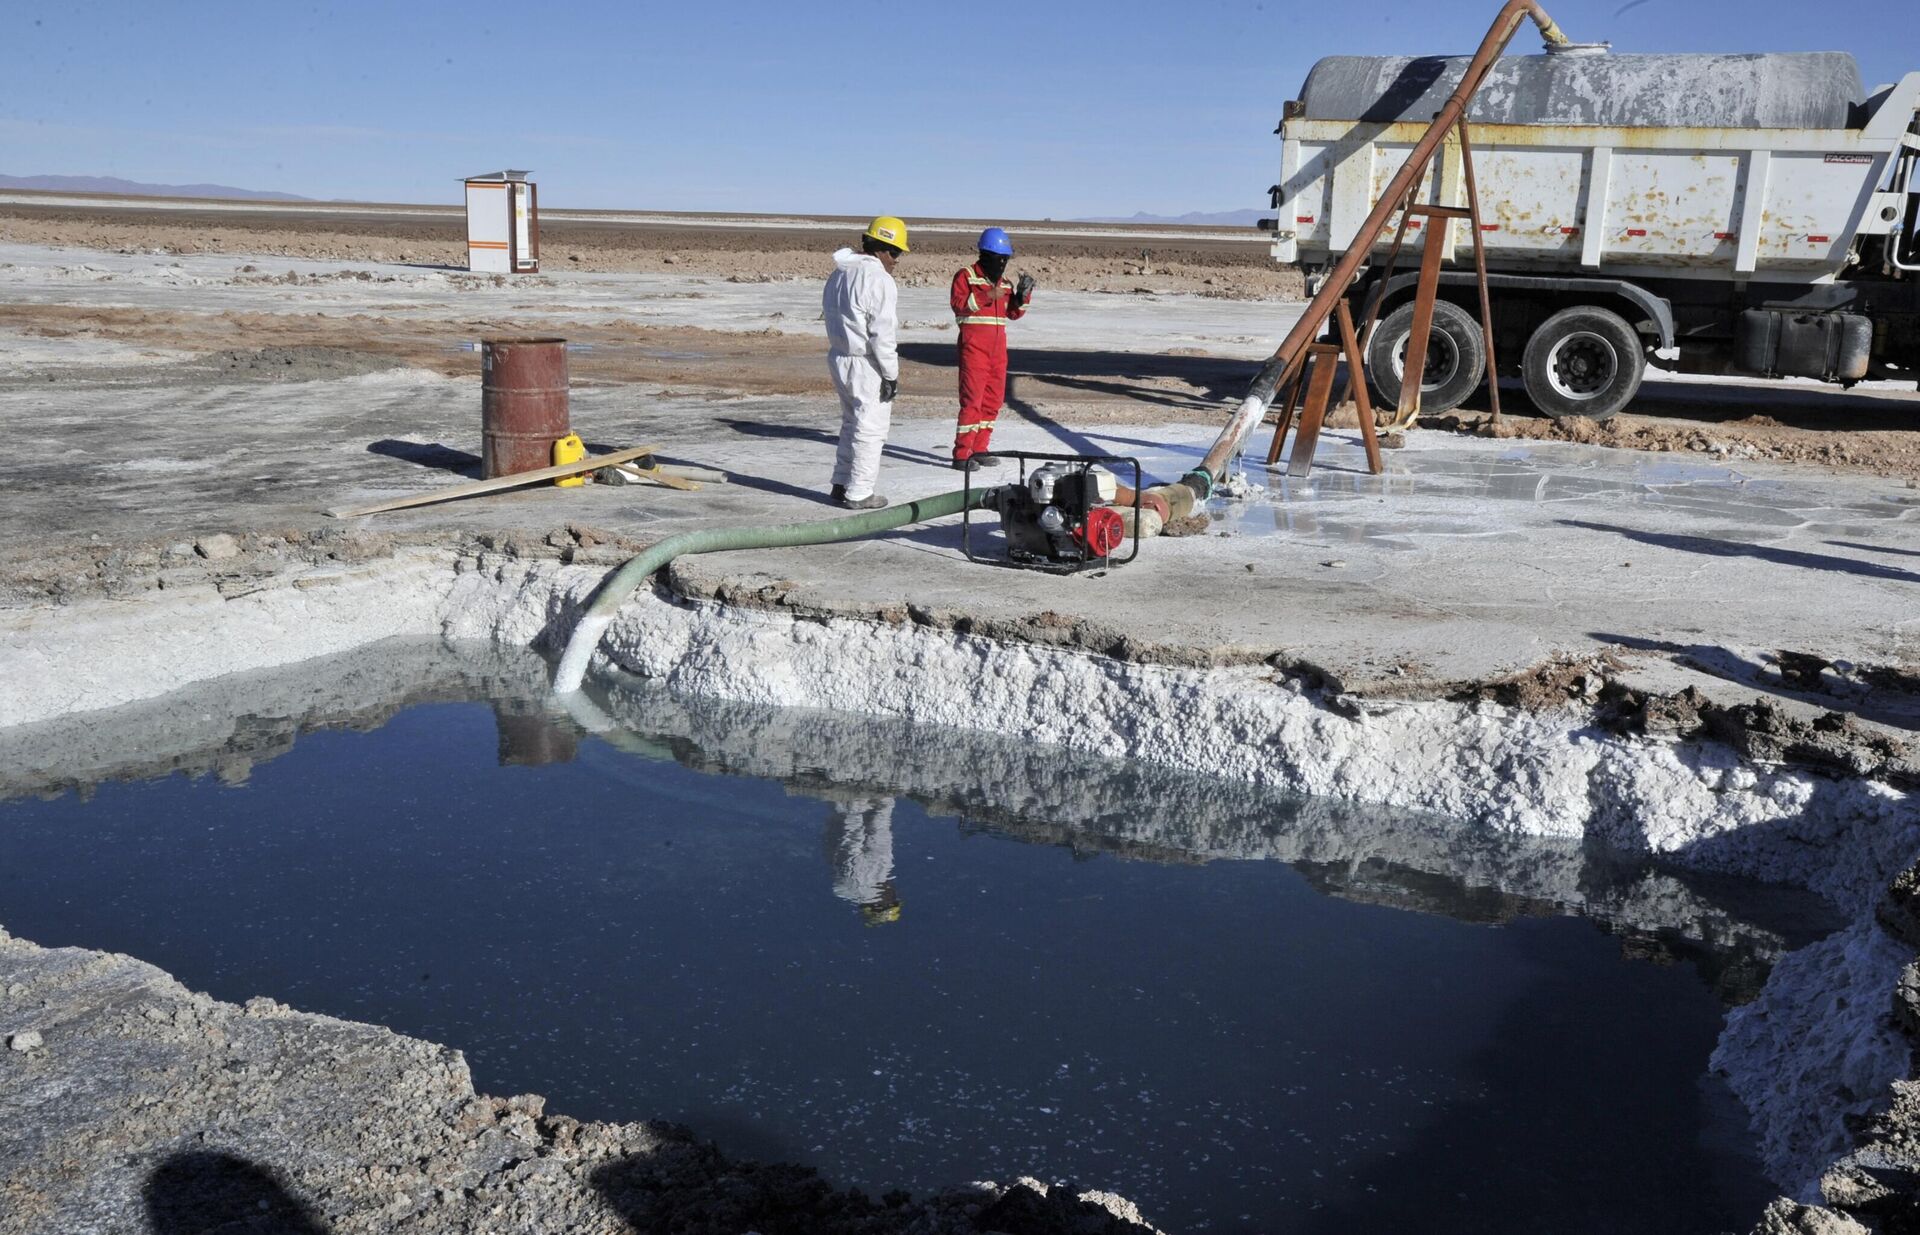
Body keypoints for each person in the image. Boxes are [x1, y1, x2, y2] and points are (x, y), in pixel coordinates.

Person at [823, 215, 908, 509]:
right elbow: (882, 334)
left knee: (851, 423)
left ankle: (841, 482)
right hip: (864, 363)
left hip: (839, 357)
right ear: (882, 249)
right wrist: (891, 375)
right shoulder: (879, 280)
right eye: (895, 252)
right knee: (870, 428)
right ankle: (859, 492)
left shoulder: (839, 274)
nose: (897, 260)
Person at [949, 226, 1035, 471]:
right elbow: (958, 305)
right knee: (972, 402)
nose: (1002, 264)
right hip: (974, 350)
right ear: (985, 255)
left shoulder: (1005, 284)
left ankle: (980, 448)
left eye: (1005, 259)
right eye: (999, 259)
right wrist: (989, 294)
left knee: (992, 401)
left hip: (998, 353)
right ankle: (962, 453)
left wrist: (1023, 296)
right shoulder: (966, 276)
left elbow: (1013, 313)